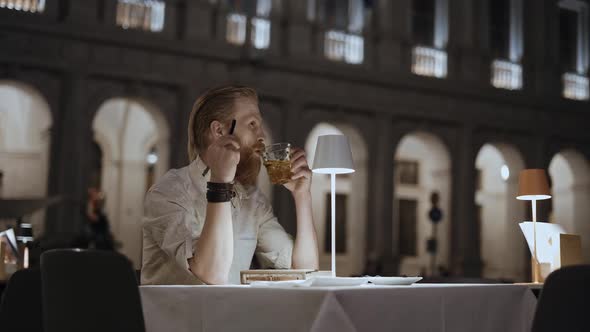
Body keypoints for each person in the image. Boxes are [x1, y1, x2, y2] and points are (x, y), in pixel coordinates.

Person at [141, 85, 319, 285]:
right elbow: (211, 274)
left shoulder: (252, 199)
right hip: (179, 315)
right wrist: (220, 182)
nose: (262, 136)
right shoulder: (169, 191)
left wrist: (302, 196)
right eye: (252, 124)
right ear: (219, 131)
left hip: (231, 314)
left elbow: (304, 271)